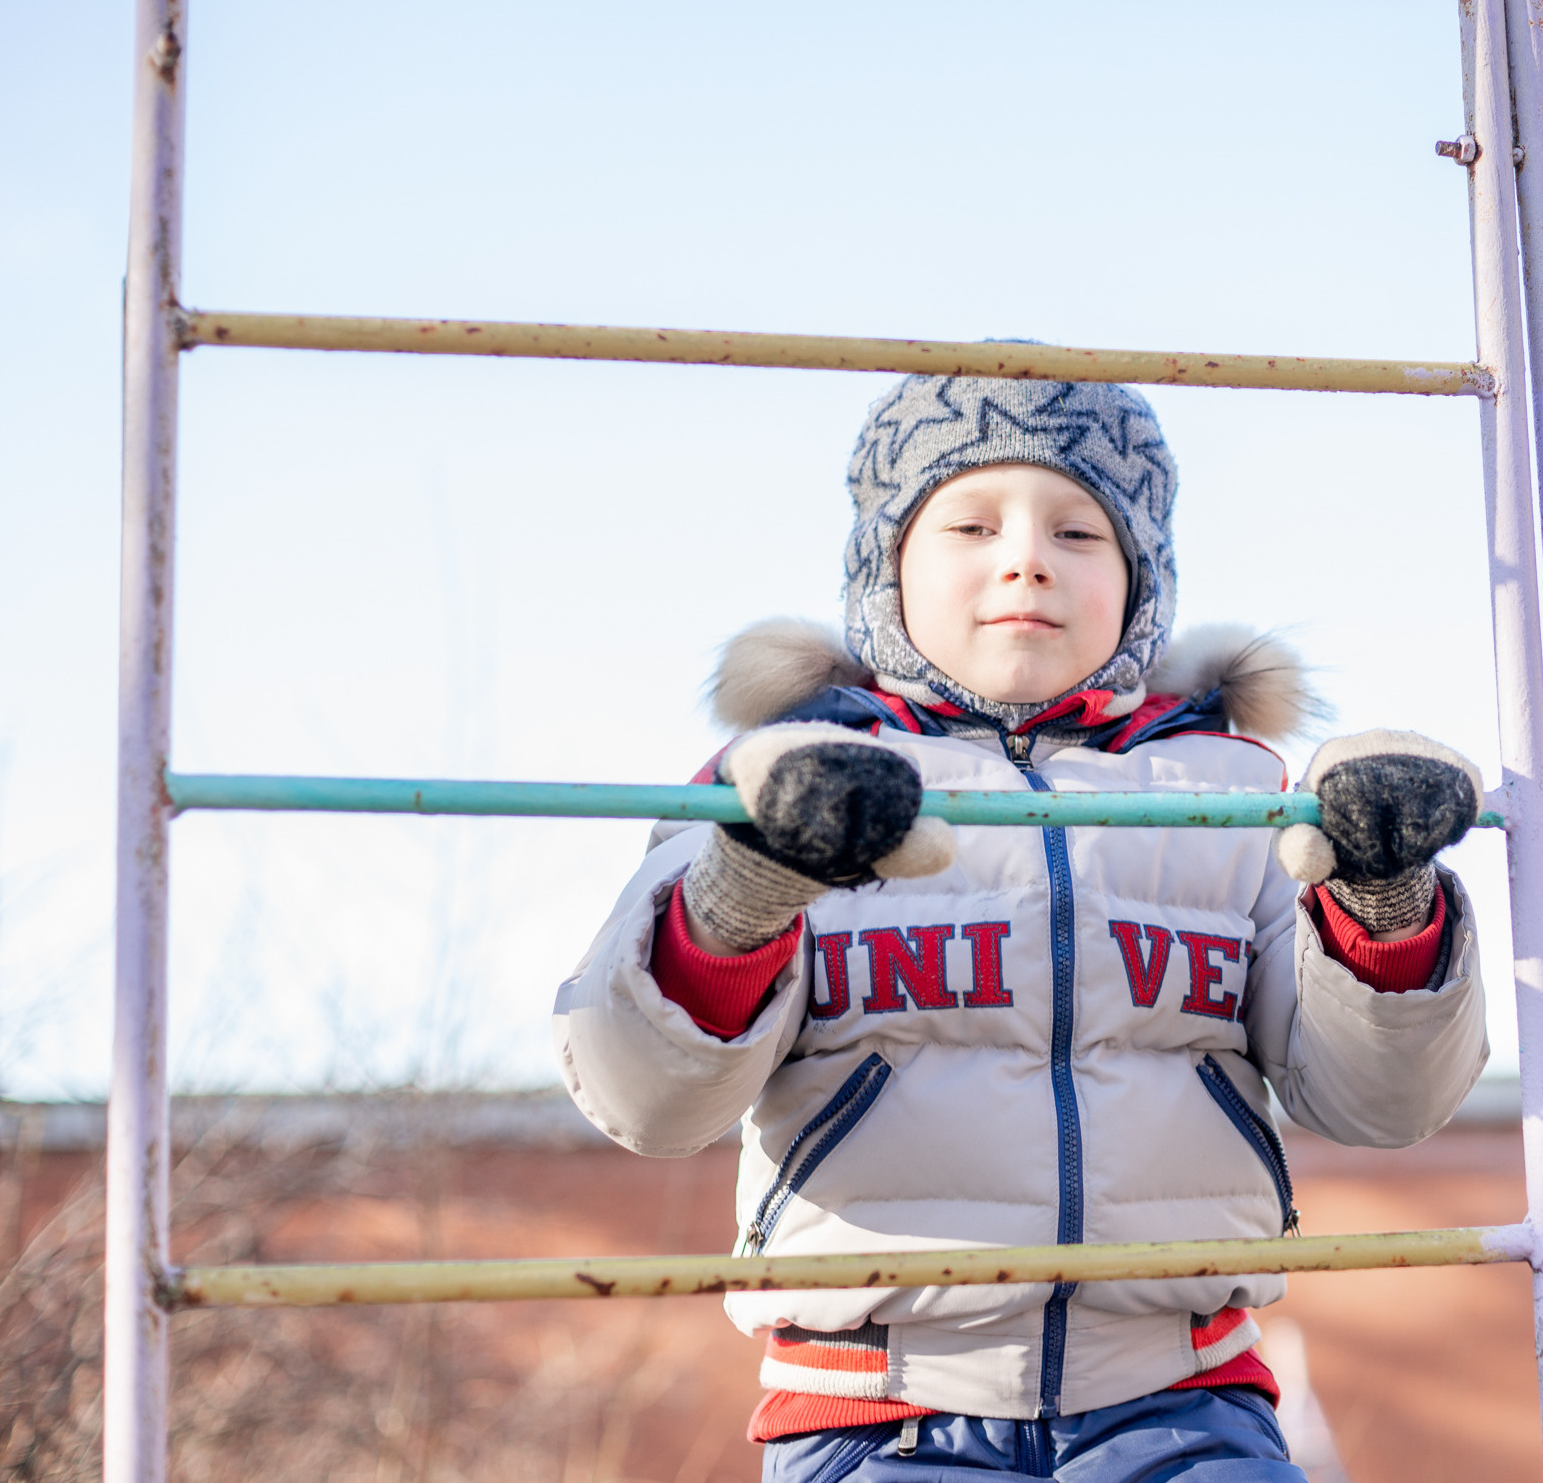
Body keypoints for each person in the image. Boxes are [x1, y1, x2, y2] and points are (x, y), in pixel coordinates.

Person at [555, 372, 1491, 1480]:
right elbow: (645, 1099)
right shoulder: (780, 784)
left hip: (1181, 1398)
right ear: (885, 565)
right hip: (879, 1402)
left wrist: (1384, 897)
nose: (1026, 557)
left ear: (1142, 580)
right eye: (970, 522)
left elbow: (1380, 1101)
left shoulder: (1235, 791)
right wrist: (749, 888)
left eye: (1079, 529)